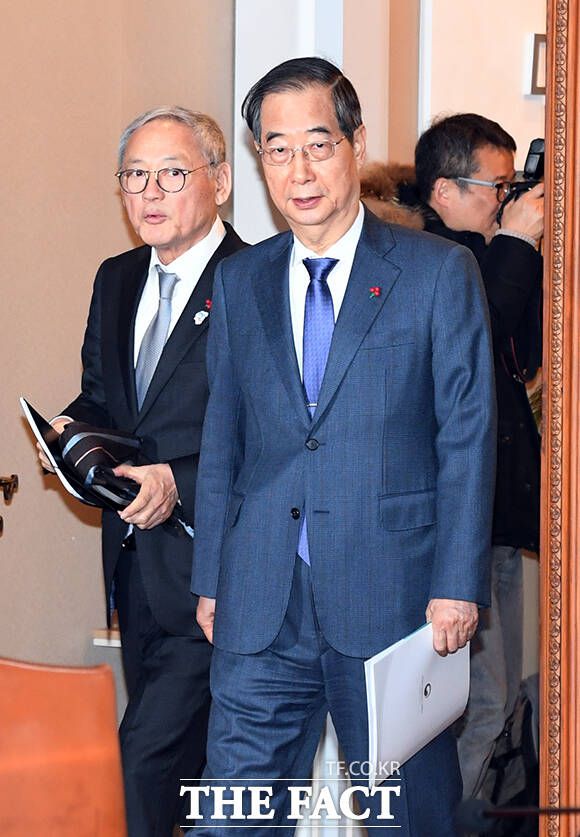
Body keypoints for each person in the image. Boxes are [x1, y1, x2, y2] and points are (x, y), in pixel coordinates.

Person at [189, 58, 496, 835]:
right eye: (278, 149)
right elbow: (225, 434)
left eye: (318, 145)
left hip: (395, 601)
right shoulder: (240, 282)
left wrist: (457, 582)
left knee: (407, 820)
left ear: (355, 143)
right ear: (260, 160)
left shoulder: (436, 272)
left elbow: (465, 434)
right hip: (261, 600)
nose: (299, 170)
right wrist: (211, 577)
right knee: (231, 819)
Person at [37, 106, 245, 836]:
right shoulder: (118, 277)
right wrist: (69, 433)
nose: (150, 193)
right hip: (133, 566)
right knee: (179, 777)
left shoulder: (256, 280)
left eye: (172, 174)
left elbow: (275, 434)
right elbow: (104, 397)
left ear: (220, 182)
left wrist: (177, 479)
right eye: (134, 175)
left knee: (139, 766)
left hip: (217, 573)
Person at [413, 113, 543, 799]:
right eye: (496, 185)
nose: (505, 199)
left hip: (497, 515)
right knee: (473, 704)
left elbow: (527, 353)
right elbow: (474, 337)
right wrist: (515, 246)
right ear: (444, 191)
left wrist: (523, 249)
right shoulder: (424, 263)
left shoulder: (486, 253)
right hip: (456, 525)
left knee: (498, 698)